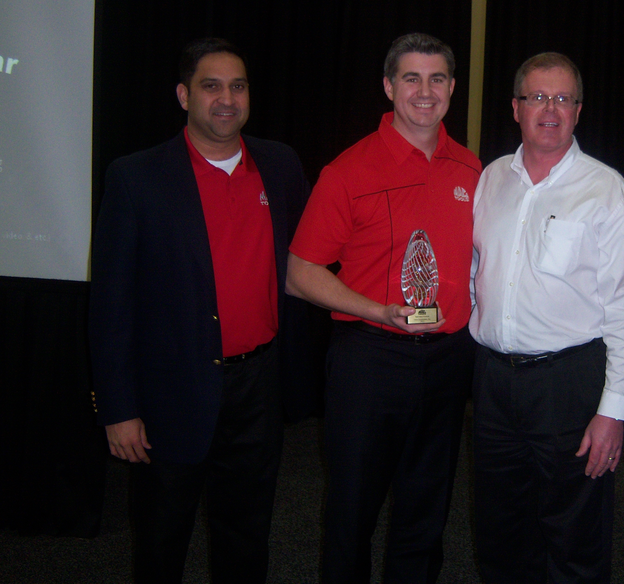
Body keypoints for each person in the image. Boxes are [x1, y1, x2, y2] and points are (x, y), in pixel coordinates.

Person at [88, 38, 310, 584]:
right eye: (211, 87)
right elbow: (110, 304)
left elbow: (311, 259)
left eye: (238, 86)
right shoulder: (136, 177)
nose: (227, 99)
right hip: (172, 391)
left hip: (257, 387)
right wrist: (118, 407)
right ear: (185, 95)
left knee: (247, 536)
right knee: (162, 540)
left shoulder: (280, 165)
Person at [286, 33, 481, 583]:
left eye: (438, 78)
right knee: (351, 513)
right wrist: (376, 310)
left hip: (447, 362)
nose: (425, 91)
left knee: (426, 513)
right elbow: (301, 275)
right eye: (412, 78)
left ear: (452, 88)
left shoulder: (473, 170)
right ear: (389, 86)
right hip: (369, 361)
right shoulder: (347, 172)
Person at [470, 52, 624, 583]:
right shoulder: (491, 178)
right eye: (538, 97)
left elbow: (623, 308)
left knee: (575, 537)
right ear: (516, 107)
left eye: (563, 98)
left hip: (569, 384)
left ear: (578, 109)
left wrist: (613, 409)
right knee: (499, 532)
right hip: (494, 383)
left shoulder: (606, 190)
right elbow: (477, 272)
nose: (550, 109)